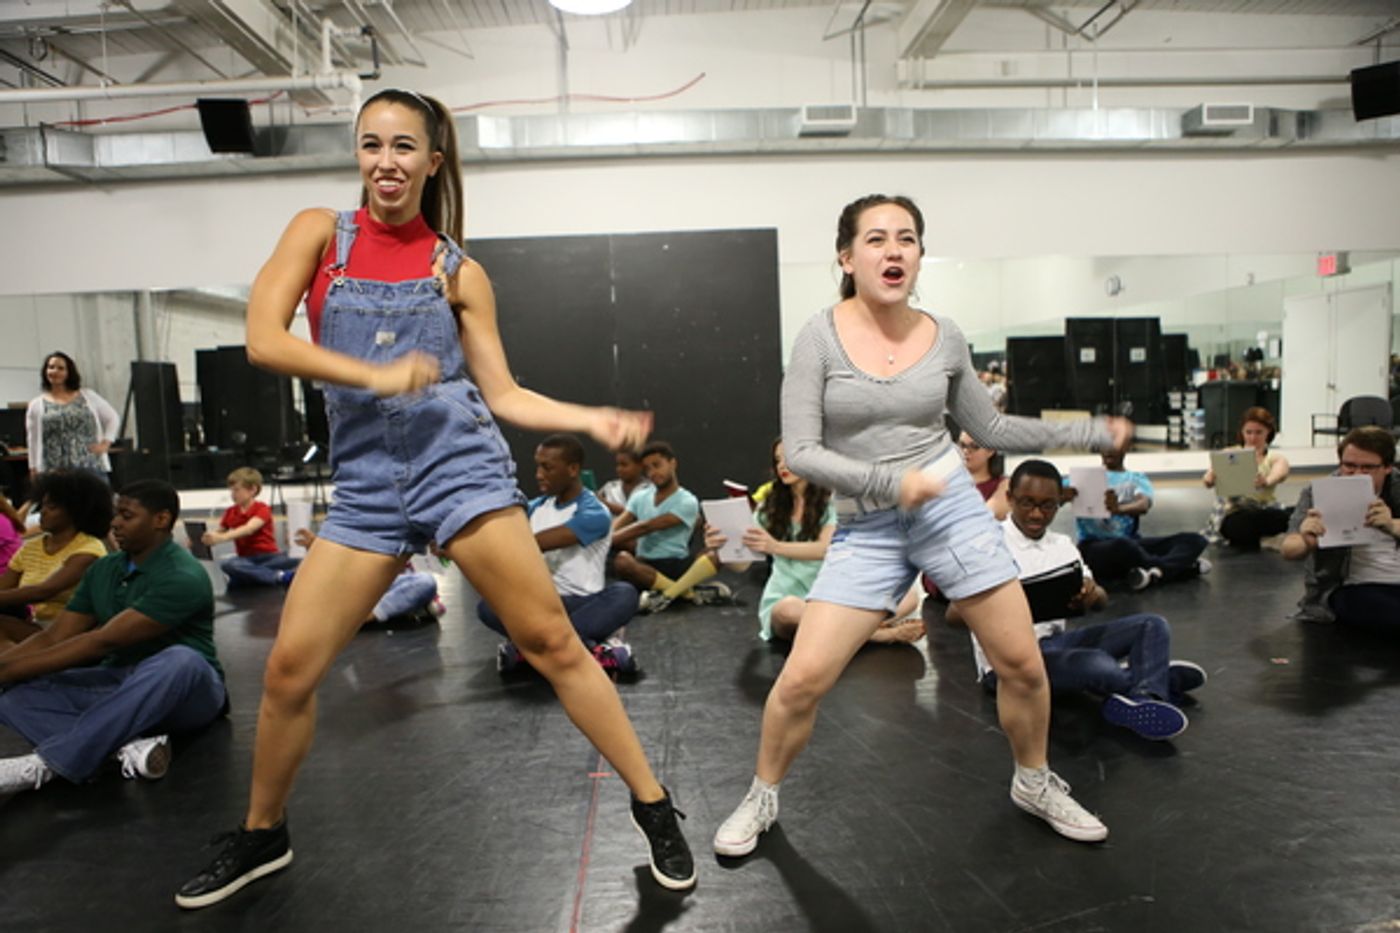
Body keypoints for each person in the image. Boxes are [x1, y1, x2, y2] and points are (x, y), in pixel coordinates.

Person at [175, 89, 692, 910]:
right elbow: (265, 340)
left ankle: (654, 804)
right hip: (369, 484)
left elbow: (505, 392)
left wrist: (588, 417)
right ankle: (263, 832)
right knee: (287, 670)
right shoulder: (319, 235)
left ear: (432, 161)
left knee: (551, 641)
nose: (387, 161)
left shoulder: (459, 270)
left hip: (460, 468)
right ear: (358, 152)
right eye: (372, 144)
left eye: (405, 147)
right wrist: (376, 376)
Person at [713, 194, 1132, 860]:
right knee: (802, 678)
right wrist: (889, 482)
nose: (894, 250)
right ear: (847, 258)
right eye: (876, 239)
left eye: (907, 237)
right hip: (870, 523)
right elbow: (801, 451)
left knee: (1022, 662)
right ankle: (762, 794)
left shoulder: (946, 334)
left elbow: (989, 428)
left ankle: (1034, 779)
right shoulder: (818, 337)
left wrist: (1084, 430)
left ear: (919, 254)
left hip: (951, 510)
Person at [0, 480, 225, 796]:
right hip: (119, 681)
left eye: (127, 515)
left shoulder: (182, 576)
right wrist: (4, 668)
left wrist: (6, 670)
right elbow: (53, 638)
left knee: (182, 660)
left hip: (185, 692)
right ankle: (124, 749)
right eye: (116, 514)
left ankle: (47, 763)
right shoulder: (104, 569)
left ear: (161, 520)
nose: (115, 523)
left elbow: (103, 641)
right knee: (10, 696)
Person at [955, 460, 1205, 740]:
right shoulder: (989, 544)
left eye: (1047, 505)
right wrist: (1004, 598)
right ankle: (1153, 676)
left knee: (1152, 624)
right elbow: (954, 614)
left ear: (1059, 503)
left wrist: (1091, 594)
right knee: (1096, 664)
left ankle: (1145, 694)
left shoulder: (1062, 545)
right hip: (1009, 663)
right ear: (1010, 499)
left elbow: (1100, 600)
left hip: (1055, 644)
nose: (1037, 514)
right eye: (1027, 503)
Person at [705, 438, 923, 643]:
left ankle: (852, 633)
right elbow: (742, 564)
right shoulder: (769, 507)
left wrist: (775, 546)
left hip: (832, 595)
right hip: (789, 598)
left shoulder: (834, 501)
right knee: (787, 610)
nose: (782, 465)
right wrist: (721, 549)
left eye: (788, 458)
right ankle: (873, 635)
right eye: (777, 460)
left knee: (908, 596)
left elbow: (824, 549)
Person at [479, 434, 640, 674]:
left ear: (573, 469)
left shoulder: (595, 513)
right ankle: (584, 650)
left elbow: (536, 543)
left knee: (625, 594)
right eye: (538, 466)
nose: (538, 474)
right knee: (487, 605)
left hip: (583, 604)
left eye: (547, 467)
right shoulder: (535, 506)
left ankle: (534, 650)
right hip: (543, 606)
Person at [1282, 426, 1400, 627]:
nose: (1356, 474)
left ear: (1387, 467)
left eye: (1367, 468)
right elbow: (1289, 549)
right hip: (1355, 586)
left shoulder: (1397, 487)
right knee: (1377, 606)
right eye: (1349, 466)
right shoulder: (1320, 491)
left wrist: (1392, 525)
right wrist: (1306, 540)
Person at [1066, 449, 1210, 591]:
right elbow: (1056, 493)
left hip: (1131, 543)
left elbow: (1143, 504)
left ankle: (1156, 572)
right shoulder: (1083, 478)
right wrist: (1062, 496)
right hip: (1093, 547)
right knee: (1122, 546)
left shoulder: (1136, 478)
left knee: (1195, 540)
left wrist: (1119, 510)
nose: (1109, 451)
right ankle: (1180, 568)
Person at [0, 470, 112, 649]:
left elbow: (45, 591)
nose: (42, 512)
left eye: (51, 507)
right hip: (39, 627)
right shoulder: (31, 548)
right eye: (42, 506)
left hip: (75, 632)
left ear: (75, 511)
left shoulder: (88, 549)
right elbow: (4, 587)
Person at [610, 441, 710, 609]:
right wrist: (605, 537)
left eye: (657, 465)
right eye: (647, 469)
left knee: (714, 553)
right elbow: (617, 525)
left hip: (675, 565)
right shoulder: (640, 497)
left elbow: (647, 526)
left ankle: (667, 592)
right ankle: (685, 593)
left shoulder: (688, 501)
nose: (652, 473)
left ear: (673, 463)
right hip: (644, 566)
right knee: (622, 561)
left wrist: (606, 541)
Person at [293, 527, 444, 628]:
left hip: (388, 585)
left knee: (425, 582)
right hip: (360, 582)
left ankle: (362, 616)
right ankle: (369, 612)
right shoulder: (358, 522)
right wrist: (314, 545)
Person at [1203, 407, 1291, 549]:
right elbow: (1210, 474)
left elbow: (1280, 472)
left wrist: (1266, 481)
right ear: (1242, 432)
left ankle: (1259, 538)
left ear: (1268, 432)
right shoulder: (1230, 453)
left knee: (1289, 515)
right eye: (1248, 432)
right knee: (1242, 522)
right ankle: (1265, 538)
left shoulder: (1274, 458)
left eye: (1258, 432)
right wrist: (1209, 479)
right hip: (1235, 511)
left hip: (1264, 509)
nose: (1252, 437)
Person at [26, 351, 120, 480]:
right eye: (51, 367)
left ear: (69, 372)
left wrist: (106, 443)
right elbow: (33, 439)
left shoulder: (88, 396)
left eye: (61, 368)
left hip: (90, 465)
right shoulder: (37, 405)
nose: (55, 371)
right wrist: (33, 467)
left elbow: (112, 418)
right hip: (54, 469)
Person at [205, 467, 299, 588]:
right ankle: (279, 576)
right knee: (228, 564)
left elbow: (249, 528)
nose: (233, 495)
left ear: (252, 490)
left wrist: (222, 538)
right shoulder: (230, 512)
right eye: (231, 491)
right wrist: (205, 538)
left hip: (270, 557)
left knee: (294, 558)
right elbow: (218, 532)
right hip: (246, 559)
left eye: (236, 490)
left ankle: (249, 576)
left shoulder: (262, 508)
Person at [598, 449, 653, 521]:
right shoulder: (609, 487)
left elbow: (638, 516)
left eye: (624, 465)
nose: (619, 469)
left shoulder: (651, 489)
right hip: (613, 531)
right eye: (617, 465)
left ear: (640, 466)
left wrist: (606, 504)